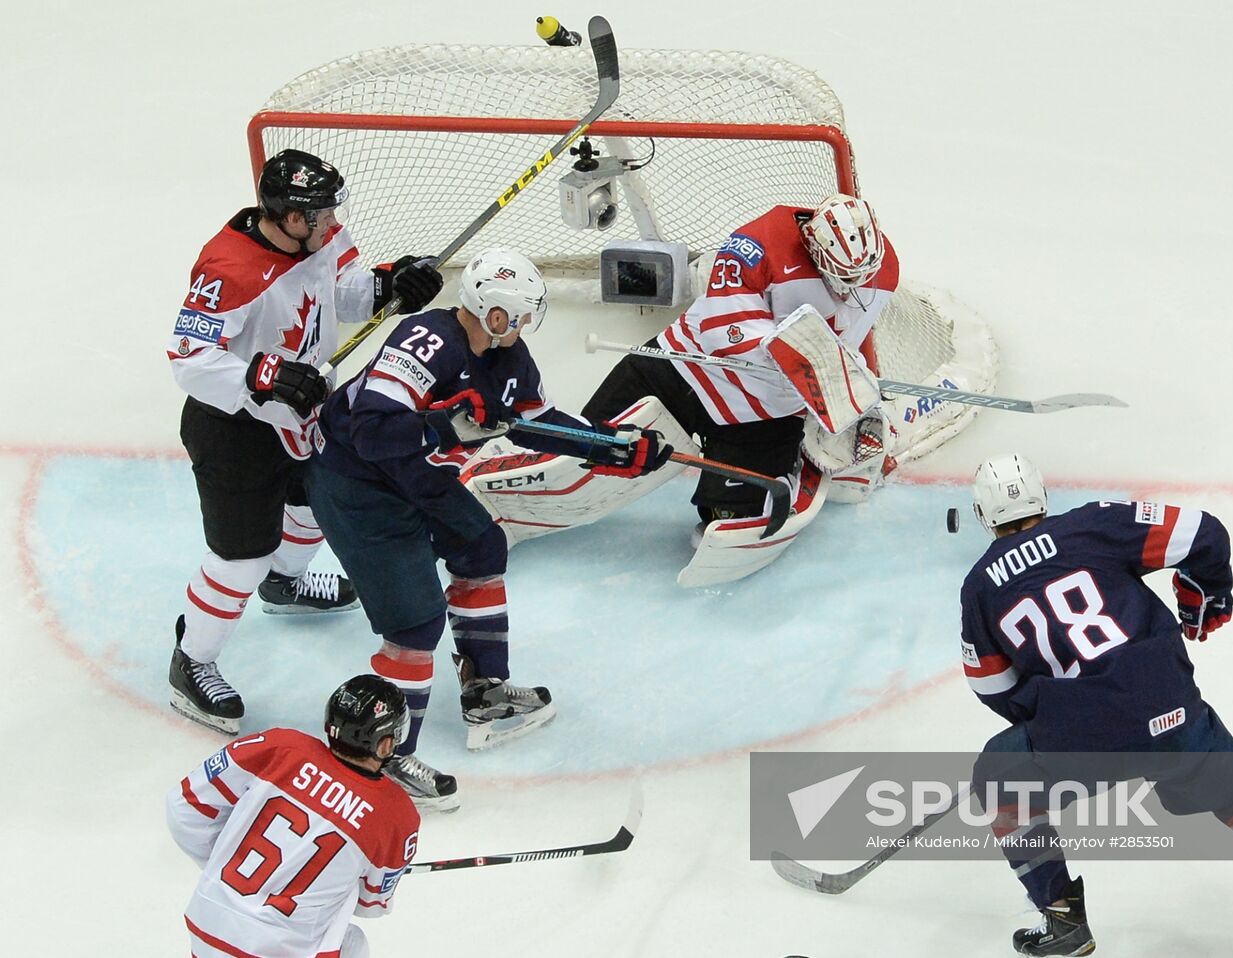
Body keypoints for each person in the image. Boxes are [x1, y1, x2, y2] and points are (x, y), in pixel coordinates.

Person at [958, 453, 1233, 958]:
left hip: (1076, 733)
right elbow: (1205, 533)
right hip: (1168, 709)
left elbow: (993, 688)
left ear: (984, 516)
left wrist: (1054, 714)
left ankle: (1064, 924)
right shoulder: (1093, 524)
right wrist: (1202, 597)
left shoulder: (980, 586)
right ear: (1042, 498)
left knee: (998, 780)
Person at [306, 247, 671, 810]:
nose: (525, 325)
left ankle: (485, 689)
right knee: (415, 625)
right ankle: (388, 754)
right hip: (358, 485)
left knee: (482, 545)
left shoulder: (510, 356)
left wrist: (612, 446)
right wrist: (441, 424)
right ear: (493, 313)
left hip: (418, 477)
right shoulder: (425, 342)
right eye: (519, 315)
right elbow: (373, 433)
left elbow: (536, 423)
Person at [165, 148, 443, 735]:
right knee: (241, 557)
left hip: (302, 410)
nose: (330, 221)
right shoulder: (228, 269)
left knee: (316, 500)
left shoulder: (319, 237)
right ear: (290, 217)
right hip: (235, 427)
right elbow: (188, 360)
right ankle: (192, 660)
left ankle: (286, 581)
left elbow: (344, 293)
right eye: (318, 214)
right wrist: (256, 375)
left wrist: (393, 285)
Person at [582, 193, 899, 533]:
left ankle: (767, 475)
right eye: (840, 276)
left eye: (860, 276)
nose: (849, 289)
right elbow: (722, 331)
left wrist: (839, 393)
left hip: (764, 408)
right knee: (583, 440)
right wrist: (799, 356)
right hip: (691, 365)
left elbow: (840, 344)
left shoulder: (886, 268)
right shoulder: (756, 244)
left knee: (730, 517)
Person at [166, 674, 419, 958]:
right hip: (278, 949)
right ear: (385, 744)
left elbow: (184, 806)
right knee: (352, 945)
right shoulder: (395, 814)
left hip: (207, 922)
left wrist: (231, 864)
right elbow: (371, 905)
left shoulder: (280, 746)